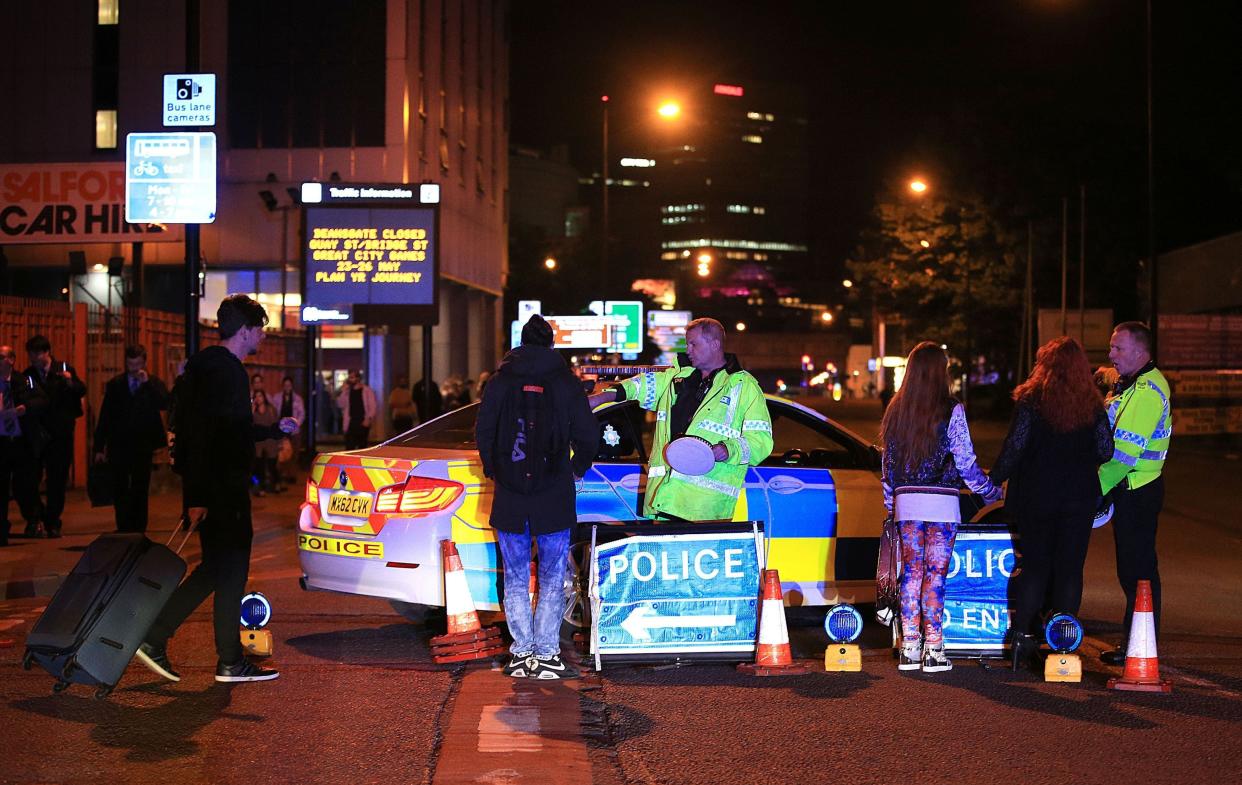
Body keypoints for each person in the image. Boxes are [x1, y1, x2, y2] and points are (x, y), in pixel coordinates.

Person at [134, 294, 297, 684]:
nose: (262, 337)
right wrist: (201, 497)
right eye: (259, 329)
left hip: (211, 489)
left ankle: (169, 641)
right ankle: (222, 659)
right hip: (223, 490)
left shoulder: (203, 369)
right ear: (244, 330)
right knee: (230, 569)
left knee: (216, 571)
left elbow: (204, 434)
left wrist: (195, 496)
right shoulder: (228, 374)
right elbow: (217, 437)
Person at [476, 315, 597, 679]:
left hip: (511, 495)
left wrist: (494, 469)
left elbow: (484, 431)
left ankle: (520, 653)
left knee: (514, 577)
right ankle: (546, 653)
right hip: (553, 494)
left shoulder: (500, 382)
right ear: (551, 344)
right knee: (551, 575)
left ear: (521, 342)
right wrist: (576, 468)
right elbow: (589, 434)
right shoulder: (565, 383)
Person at [989, 337, 1113, 670]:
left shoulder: (1031, 400)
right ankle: (1062, 642)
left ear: (1044, 365)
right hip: (1078, 499)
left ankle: (1020, 641)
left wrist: (992, 479)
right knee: (1070, 569)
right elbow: (1106, 451)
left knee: (1035, 567)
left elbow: (1014, 448)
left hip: (1037, 497)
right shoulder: (1092, 403)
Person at [880, 342, 1001, 674]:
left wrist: (891, 504)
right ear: (940, 371)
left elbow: (888, 465)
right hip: (943, 504)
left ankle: (908, 648)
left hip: (907, 502)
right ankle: (933, 650)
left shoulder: (896, 409)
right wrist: (989, 491)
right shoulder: (952, 409)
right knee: (934, 576)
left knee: (911, 574)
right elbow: (965, 461)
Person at [587, 317, 773, 521]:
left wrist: (729, 449)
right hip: (665, 502)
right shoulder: (677, 378)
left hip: (704, 510)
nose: (688, 350)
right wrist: (601, 397)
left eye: (694, 344)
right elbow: (638, 387)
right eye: (687, 344)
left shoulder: (743, 386)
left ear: (714, 344)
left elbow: (761, 441)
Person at [1097, 321, 1171, 666]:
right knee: (1133, 569)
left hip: (1137, 490)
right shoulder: (1134, 384)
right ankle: (1137, 642)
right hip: (1134, 489)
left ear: (1141, 352)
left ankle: (1139, 646)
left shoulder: (1146, 392)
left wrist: (1092, 490)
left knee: (1137, 571)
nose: (1111, 355)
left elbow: (1124, 454)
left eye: (1118, 349)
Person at [93, 344, 170, 533]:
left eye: (137, 364)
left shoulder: (153, 383)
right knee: (120, 486)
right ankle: (123, 525)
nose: (133, 369)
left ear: (143, 363)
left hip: (143, 444)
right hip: (119, 443)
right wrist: (99, 447)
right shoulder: (116, 385)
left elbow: (164, 403)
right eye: (130, 364)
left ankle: (139, 525)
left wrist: (147, 384)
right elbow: (105, 416)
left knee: (140, 486)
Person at [23, 335, 86, 538]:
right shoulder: (29, 374)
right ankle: (37, 516)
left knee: (57, 480)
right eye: (31, 354)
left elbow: (80, 389)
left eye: (37, 354)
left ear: (47, 352)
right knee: (30, 479)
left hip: (61, 432)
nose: (34, 358)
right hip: (38, 434)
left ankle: (52, 521)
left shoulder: (63, 368)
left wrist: (69, 382)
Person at [0, 345, 46, 547]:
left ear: (11, 360)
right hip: (1, 442)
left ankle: (34, 519)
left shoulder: (24, 380)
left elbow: (41, 399)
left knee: (24, 486)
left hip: (21, 442)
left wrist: (25, 408)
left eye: (1, 357)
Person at [336, 370, 376, 450]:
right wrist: (343, 391)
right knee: (349, 447)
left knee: (362, 447)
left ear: (358, 378)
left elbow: (373, 406)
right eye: (349, 377)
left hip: (363, 421)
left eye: (352, 377)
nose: (350, 380)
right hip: (350, 422)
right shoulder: (347, 391)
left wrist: (369, 419)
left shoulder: (367, 391)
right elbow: (340, 404)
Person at [251, 389, 281, 495]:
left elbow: (276, 425)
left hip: (270, 442)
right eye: (256, 396)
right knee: (258, 468)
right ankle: (259, 486)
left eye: (260, 396)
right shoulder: (253, 410)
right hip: (258, 444)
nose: (259, 398)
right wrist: (252, 410)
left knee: (272, 465)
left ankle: (276, 484)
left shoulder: (271, 409)